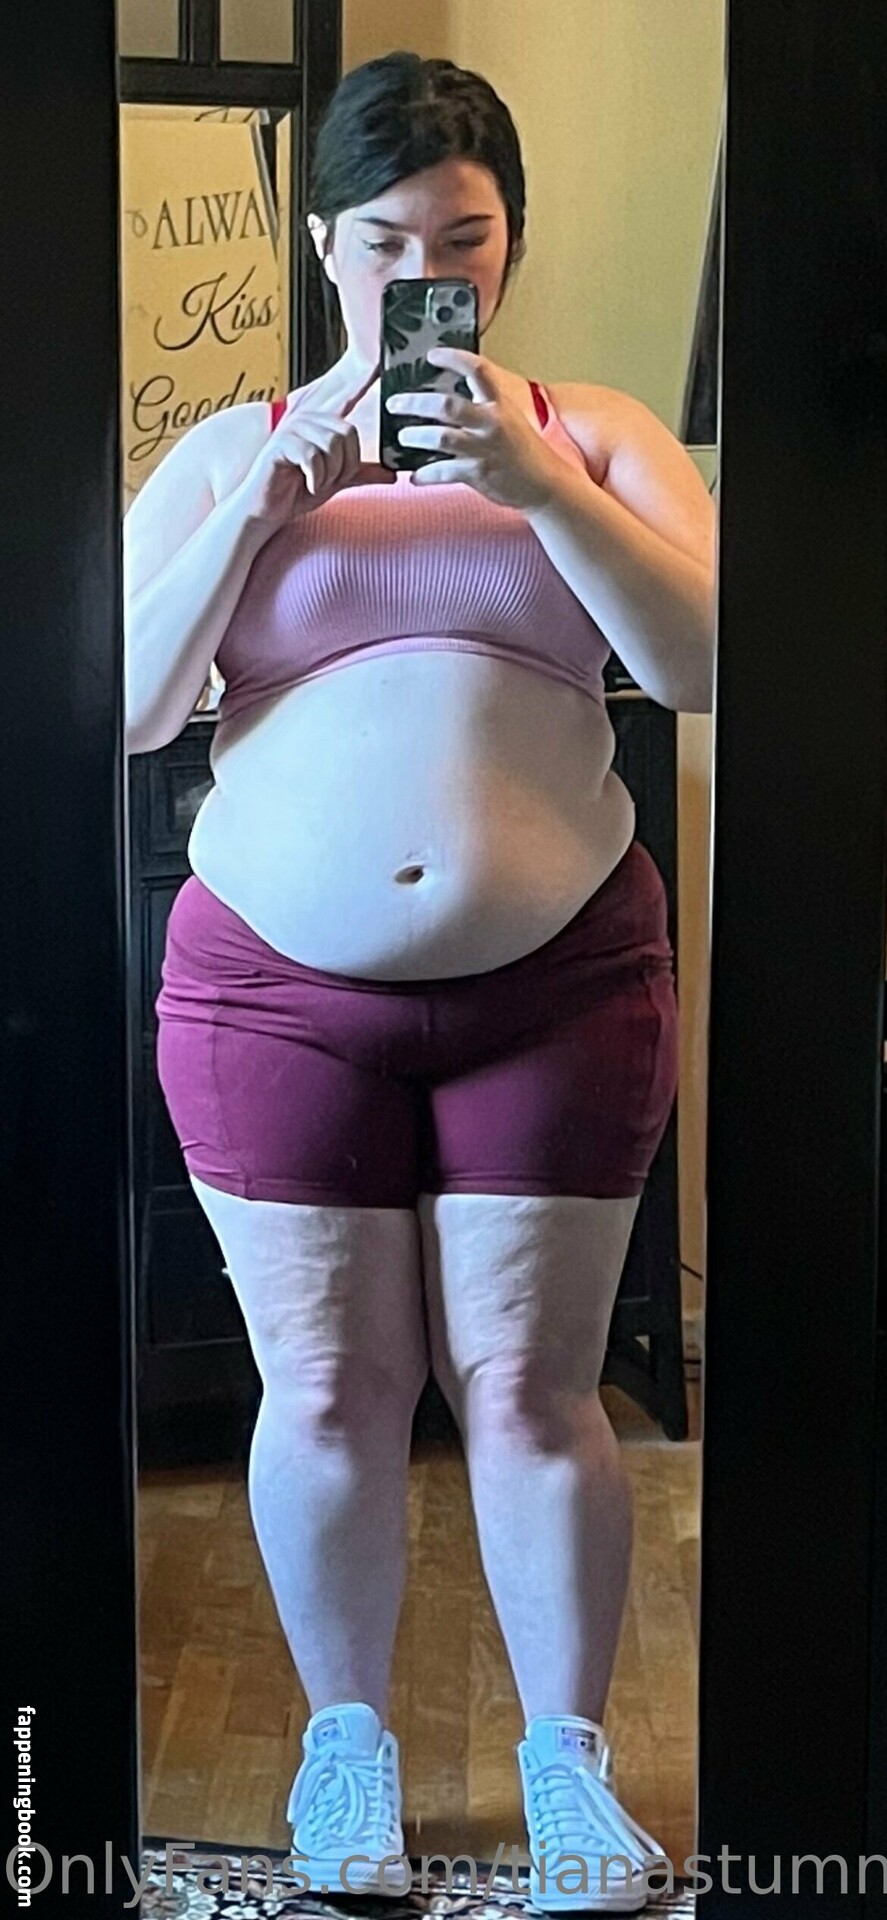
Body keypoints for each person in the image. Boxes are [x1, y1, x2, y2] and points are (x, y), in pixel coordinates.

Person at [123, 51, 716, 1913]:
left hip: (560, 983)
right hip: (273, 996)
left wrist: (536, 485)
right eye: (384, 243)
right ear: (322, 245)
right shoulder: (226, 452)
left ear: (510, 243)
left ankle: (566, 1768)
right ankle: (346, 1754)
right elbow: (122, 707)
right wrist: (260, 504)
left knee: (533, 1389)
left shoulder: (593, 432)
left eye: (462, 241)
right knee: (325, 1390)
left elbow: (704, 664)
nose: (422, 275)